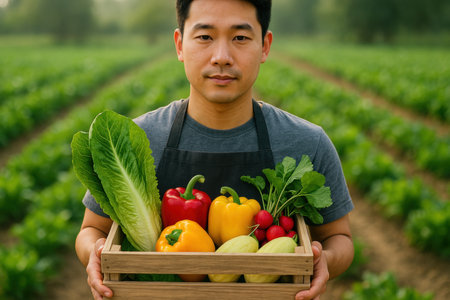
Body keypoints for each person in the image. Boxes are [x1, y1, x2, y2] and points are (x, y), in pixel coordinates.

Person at [75, 0, 354, 299]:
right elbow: (91, 231)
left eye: (240, 38)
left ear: (265, 46)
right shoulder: (140, 137)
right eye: (205, 37)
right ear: (180, 45)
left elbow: (339, 239)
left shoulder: (307, 142)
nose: (222, 57)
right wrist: (96, 252)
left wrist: (326, 259)